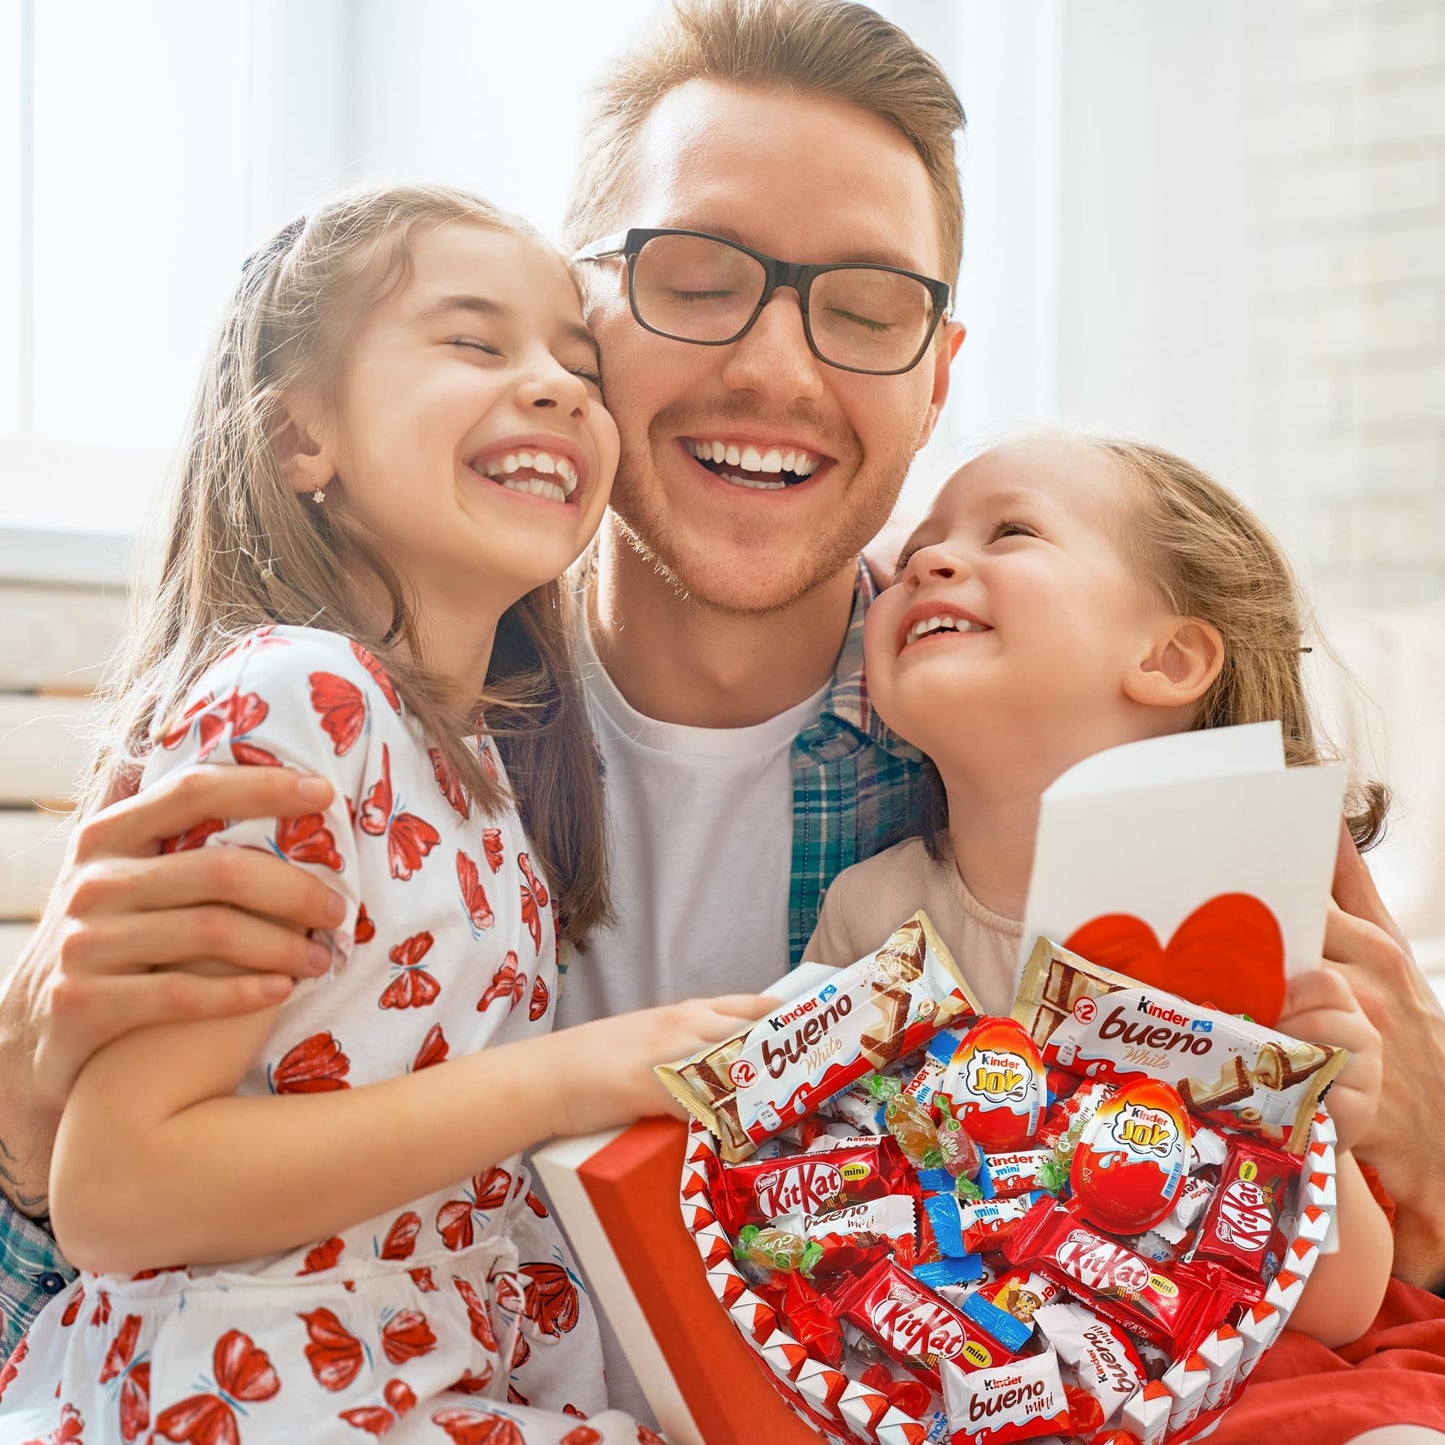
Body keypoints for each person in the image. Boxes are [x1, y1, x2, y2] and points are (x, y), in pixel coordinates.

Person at [1, 0, 1442, 1415]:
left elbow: (1333, 1269)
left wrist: (1424, 1153)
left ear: (938, 379)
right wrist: (16, 1126)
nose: (774, 367)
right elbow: (109, 1282)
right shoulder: (363, 724)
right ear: (586, 320)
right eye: (697, 280)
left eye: (867, 309)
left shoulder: (1046, 737)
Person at [0, 184, 770, 1442]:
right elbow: (119, 1193)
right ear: (301, 437)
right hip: (253, 1394)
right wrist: (565, 1076)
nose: (557, 387)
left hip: (411, 1375)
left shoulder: (470, 758)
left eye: (578, 364)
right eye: (475, 342)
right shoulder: (298, 697)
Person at [807, 431, 1445, 1443]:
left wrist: (1309, 1116)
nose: (924, 560)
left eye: (1007, 530)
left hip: (1247, 1375)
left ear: (1168, 656)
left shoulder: (1252, 906)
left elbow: (1337, 1304)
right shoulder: (869, 911)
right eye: (913, 550)